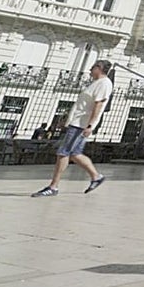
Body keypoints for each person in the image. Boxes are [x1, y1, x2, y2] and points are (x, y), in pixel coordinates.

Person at [32, 59, 112, 197]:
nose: (90, 70)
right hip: (77, 123)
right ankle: (96, 177)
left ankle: (53, 186)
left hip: (81, 124)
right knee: (75, 154)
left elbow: (98, 106)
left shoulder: (104, 84)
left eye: (92, 67)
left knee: (63, 153)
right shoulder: (96, 83)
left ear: (99, 68)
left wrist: (90, 125)